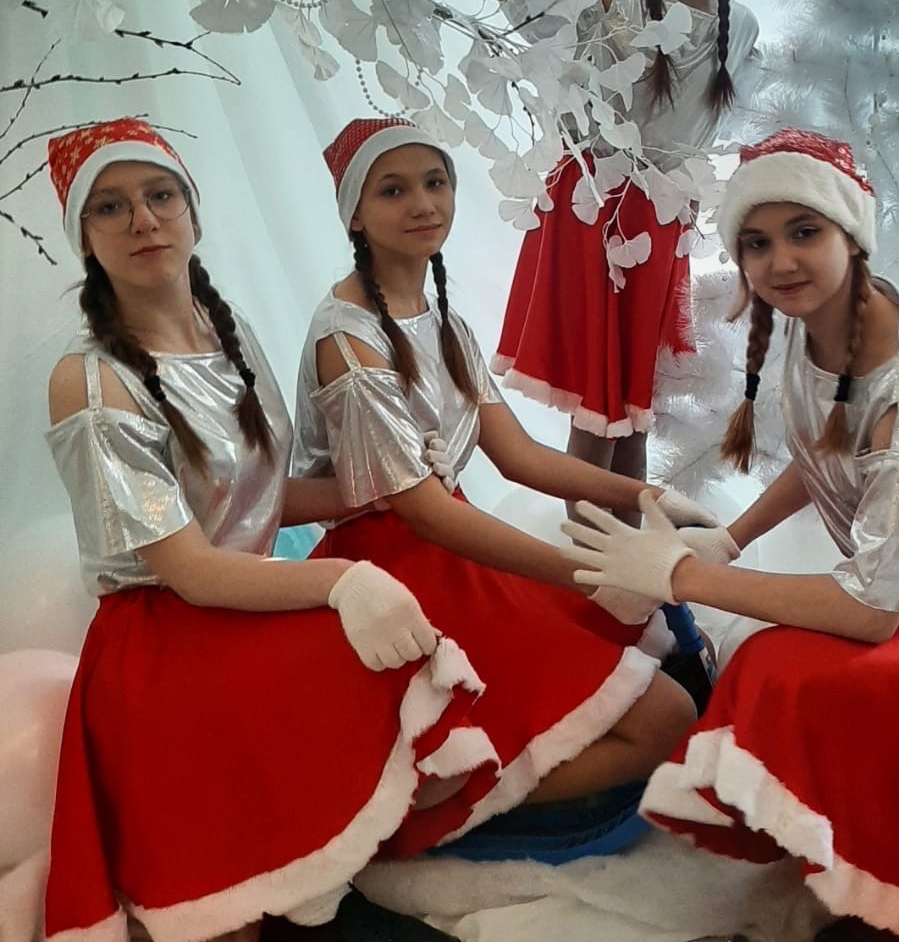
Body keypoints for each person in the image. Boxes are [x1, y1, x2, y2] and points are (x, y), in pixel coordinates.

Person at [563, 128, 899, 942]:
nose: (780, 261)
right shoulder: (820, 324)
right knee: (762, 658)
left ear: (851, 234)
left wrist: (682, 574)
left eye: (803, 232)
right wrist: (729, 537)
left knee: (779, 670)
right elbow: (826, 452)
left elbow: (873, 610)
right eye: (757, 242)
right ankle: (866, 857)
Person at [40, 118, 477, 942]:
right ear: (84, 238)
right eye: (111, 207)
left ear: (193, 212)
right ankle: (302, 905)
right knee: (360, 655)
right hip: (159, 639)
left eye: (160, 195)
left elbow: (265, 502)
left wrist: (384, 481)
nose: (143, 220)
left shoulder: (225, 330)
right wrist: (341, 578)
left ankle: (319, 887)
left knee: (416, 643)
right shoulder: (91, 381)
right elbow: (192, 571)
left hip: (228, 605)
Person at [291, 116, 697, 857]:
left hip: (450, 542)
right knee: (664, 718)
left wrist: (649, 499)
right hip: (398, 567)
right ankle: (424, 811)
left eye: (435, 182)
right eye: (393, 191)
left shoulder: (441, 320)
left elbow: (518, 455)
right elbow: (421, 513)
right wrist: (586, 571)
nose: (424, 204)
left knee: (659, 677)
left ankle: (482, 774)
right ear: (355, 215)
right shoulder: (347, 342)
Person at [449, 0, 761, 495]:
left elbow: (730, 132)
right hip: (594, 208)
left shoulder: (742, 26)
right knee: (599, 416)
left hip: (662, 223)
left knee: (635, 413)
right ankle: (588, 551)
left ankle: (625, 551)